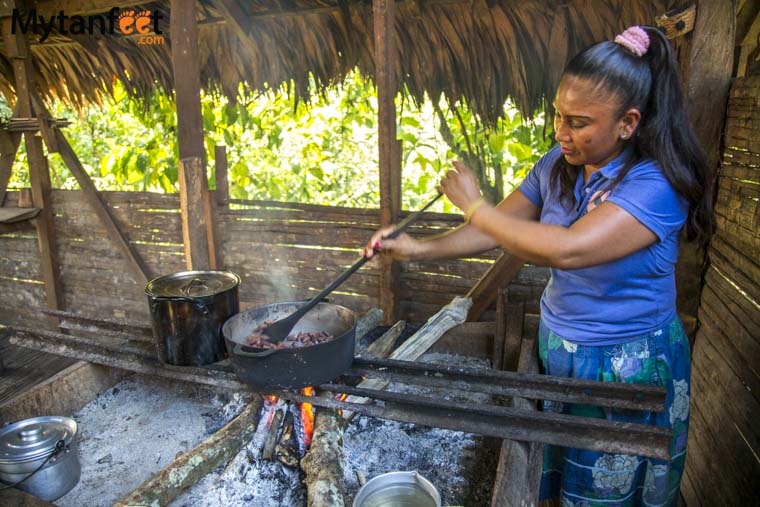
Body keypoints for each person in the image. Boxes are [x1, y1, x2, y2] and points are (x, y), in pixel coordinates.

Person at [364, 26, 714, 506]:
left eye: (578, 122)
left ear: (628, 123)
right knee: (559, 488)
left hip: (625, 368)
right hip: (560, 348)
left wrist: (474, 205)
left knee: (607, 494)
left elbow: (568, 248)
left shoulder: (654, 185)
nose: (560, 132)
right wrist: (417, 248)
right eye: (557, 115)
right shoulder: (558, 164)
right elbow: (497, 229)